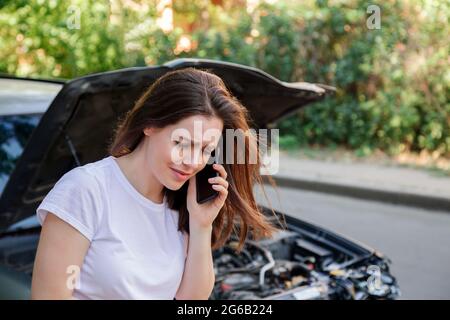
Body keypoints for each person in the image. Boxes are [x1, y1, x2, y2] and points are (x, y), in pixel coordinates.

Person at [30, 67, 279, 299]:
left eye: (205, 150)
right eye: (182, 143)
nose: (192, 162)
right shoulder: (86, 190)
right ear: (149, 124)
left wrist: (201, 225)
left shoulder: (181, 203)